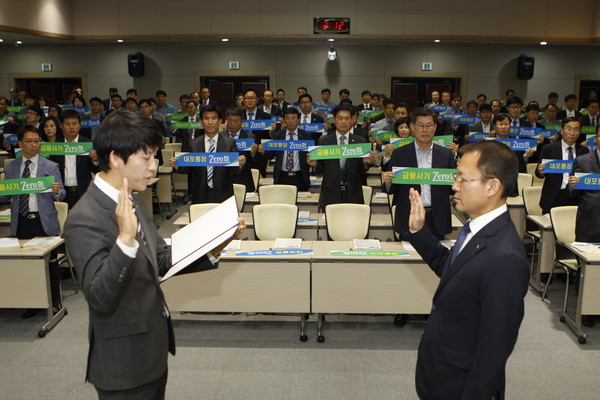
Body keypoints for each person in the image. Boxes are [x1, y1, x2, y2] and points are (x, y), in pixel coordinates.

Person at [64, 110, 244, 399]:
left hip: (152, 352)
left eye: (155, 157)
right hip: (124, 367)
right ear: (115, 158)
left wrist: (215, 243)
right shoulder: (84, 217)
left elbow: (161, 259)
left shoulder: (134, 199)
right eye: (146, 157)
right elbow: (98, 298)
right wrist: (125, 240)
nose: (154, 166)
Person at [406, 140, 529, 400]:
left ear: (492, 186)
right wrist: (419, 232)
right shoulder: (477, 229)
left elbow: (494, 350)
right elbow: (454, 272)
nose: (454, 186)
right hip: (442, 373)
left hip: (461, 385)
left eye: (462, 179)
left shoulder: (504, 256)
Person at [0, 125, 66, 318]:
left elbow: (61, 193)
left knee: (50, 263)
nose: (34, 145)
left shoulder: (50, 166)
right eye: (29, 141)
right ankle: (34, 302)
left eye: (37, 141)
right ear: (20, 143)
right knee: (27, 263)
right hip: (21, 220)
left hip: (43, 220)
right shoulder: (12, 166)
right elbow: (6, 196)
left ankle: (54, 302)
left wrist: (55, 191)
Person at [383, 108, 456, 239]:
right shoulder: (400, 154)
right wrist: (388, 183)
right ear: (412, 127)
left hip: (437, 218)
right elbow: (392, 189)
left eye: (429, 125)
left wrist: (459, 181)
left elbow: (452, 189)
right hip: (408, 217)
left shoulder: (446, 155)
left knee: (435, 258)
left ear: (435, 127)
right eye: (421, 125)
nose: (425, 129)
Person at [170, 103, 242, 204]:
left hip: (223, 194)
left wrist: (240, 164)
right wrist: (177, 165)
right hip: (200, 194)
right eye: (206, 118)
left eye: (213, 118)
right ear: (201, 122)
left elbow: (235, 171)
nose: (210, 122)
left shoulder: (229, 143)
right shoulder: (193, 144)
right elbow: (188, 169)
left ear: (220, 121)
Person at [307, 104, 376, 208]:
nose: (343, 122)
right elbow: (320, 170)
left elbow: (362, 171)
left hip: (353, 194)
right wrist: (314, 164)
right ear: (334, 120)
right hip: (330, 194)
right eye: (340, 118)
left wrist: (366, 163)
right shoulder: (324, 141)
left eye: (347, 118)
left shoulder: (360, 141)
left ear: (352, 120)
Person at [536, 117, 589, 214]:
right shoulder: (548, 148)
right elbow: (539, 175)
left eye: (576, 129)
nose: (572, 133)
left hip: (576, 196)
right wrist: (541, 171)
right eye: (569, 128)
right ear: (562, 130)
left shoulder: (584, 151)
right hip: (554, 196)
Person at [51, 109, 98, 209]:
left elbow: (97, 170)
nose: (71, 127)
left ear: (79, 125)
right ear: (61, 126)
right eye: (67, 124)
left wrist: (95, 160)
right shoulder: (56, 147)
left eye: (74, 123)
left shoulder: (88, 144)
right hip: (63, 193)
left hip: (83, 193)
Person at [221, 107, 266, 192]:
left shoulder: (250, 137)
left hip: (244, 180)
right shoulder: (221, 136)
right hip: (224, 180)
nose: (233, 124)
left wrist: (253, 153)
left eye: (236, 121)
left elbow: (257, 163)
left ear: (242, 121)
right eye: (230, 121)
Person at [268, 107, 312, 191]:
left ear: (298, 120)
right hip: (282, 176)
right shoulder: (277, 136)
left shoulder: (306, 136)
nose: (290, 121)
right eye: (287, 118)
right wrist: (263, 151)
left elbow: (310, 155)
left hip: (300, 176)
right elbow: (270, 154)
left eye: (293, 118)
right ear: (284, 120)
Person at [569, 127, 600, 243]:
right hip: (589, 223)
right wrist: (572, 186)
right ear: (596, 138)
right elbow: (571, 192)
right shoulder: (582, 161)